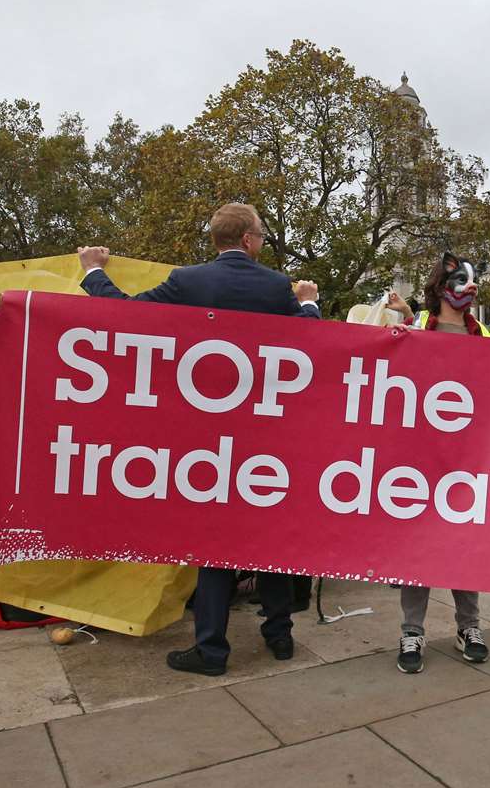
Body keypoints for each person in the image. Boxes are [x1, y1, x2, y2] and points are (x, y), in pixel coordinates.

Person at [78, 202, 320, 676]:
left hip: (205, 439)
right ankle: (279, 636)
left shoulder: (187, 281)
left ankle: (212, 649)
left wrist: (93, 272)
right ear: (248, 240)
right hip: (263, 438)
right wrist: (308, 300)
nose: (264, 243)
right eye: (262, 236)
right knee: (268, 537)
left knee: (216, 542)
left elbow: (124, 315)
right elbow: (312, 342)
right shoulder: (275, 286)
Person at [384, 254, 490, 673]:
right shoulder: (414, 331)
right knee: (417, 546)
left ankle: (470, 626)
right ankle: (412, 631)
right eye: (462, 280)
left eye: (474, 281)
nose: (471, 287)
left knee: (464, 544)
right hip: (419, 459)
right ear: (441, 286)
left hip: (469, 459)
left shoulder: (487, 334)